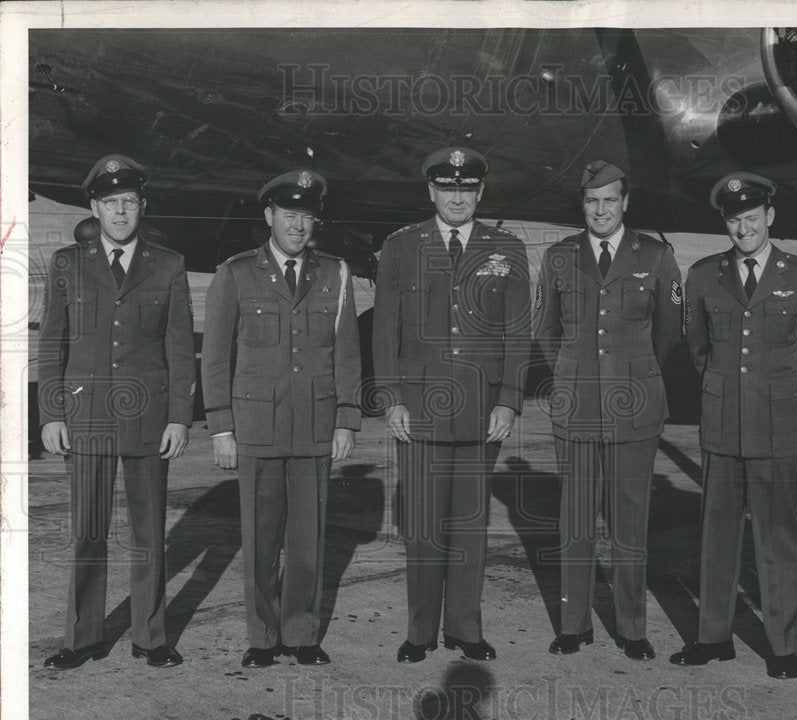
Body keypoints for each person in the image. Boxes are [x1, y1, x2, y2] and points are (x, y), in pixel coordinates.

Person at [372, 147, 531, 663]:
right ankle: (420, 633)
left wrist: (508, 400)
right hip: (420, 409)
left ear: (480, 192)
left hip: (480, 409)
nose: (457, 197)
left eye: (466, 189)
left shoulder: (505, 247)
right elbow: (385, 330)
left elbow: (517, 332)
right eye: (448, 188)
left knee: (468, 526)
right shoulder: (401, 247)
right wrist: (392, 397)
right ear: (432, 191)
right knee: (423, 528)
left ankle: (465, 629)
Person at [38, 154, 196, 669]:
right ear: (95, 207)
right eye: (111, 202)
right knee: (87, 531)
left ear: (141, 206)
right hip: (85, 419)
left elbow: (178, 348)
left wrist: (179, 416)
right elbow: (53, 344)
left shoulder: (168, 265)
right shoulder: (69, 264)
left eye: (129, 201)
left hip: (149, 421)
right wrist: (51, 414)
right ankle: (82, 638)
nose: (121, 211)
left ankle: (151, 638)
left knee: (150, 535)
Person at [201, 169, 362, 668]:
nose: (298, 225)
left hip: (314, 425)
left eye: (307, 216)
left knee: (308, 538)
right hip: (256, 427)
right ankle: (262, 636)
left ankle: (302, 634)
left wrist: (346, 420)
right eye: (288, 214)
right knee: (260, 538)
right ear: (269, 216)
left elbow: (347, 353)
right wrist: (221, 426)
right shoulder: (236, 273)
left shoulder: (335, 273)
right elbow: (216, 357)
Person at [670, 172, 797, 678]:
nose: (744, 228)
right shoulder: (703, 275)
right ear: (726, 223)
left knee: (779, 539)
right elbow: (697, 350)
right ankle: (713, 637)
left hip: (778, 428)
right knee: (716, 535)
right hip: (720, 424)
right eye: (735, 220)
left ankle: (784, 646)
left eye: (752, 218)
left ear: (770, 218)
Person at [536, 160, 683, 660]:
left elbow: (669, 331)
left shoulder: (657, 256)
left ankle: (631, 627)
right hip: (576, 407)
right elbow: (546, 330)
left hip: (634, 408)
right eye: (592, 201)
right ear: (583, 206)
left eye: (610, 200)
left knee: (630, 523)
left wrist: (635, 373)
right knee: (575, 523)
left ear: (626, 203)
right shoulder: (559, 257)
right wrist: (573, 374)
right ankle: (573, 625)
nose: (601, 210)